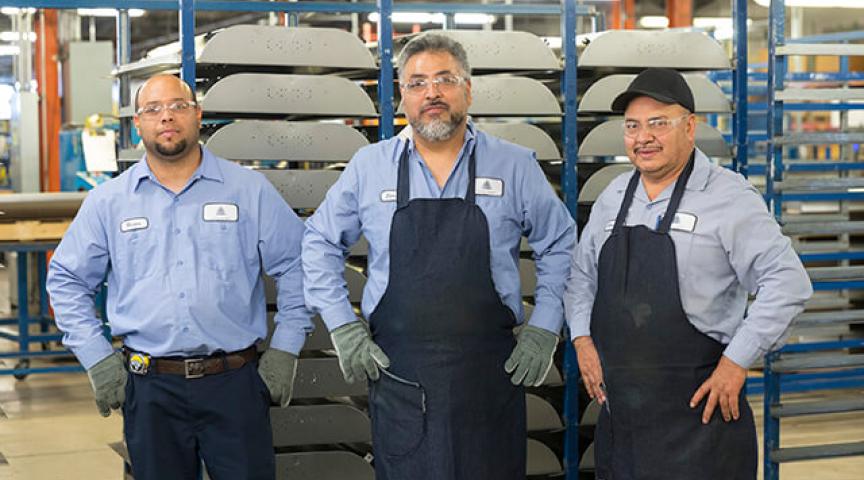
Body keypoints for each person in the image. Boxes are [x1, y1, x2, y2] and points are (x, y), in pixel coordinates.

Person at [302, 33, 575, 479]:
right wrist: (343, 324)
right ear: (400, 97)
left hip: (490, 375)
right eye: (417, 82)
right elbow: (319, 241)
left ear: (468, 89)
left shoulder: (514, 165)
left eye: (445, 79)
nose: (432, 92)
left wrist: (545, 326)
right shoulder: (369, 168)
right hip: (400, 376)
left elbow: (560, 243)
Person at [47, 73, 310, 480]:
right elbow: (66, 279)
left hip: (235, 385)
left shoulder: (248, 190)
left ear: (197, 115)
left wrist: (286, 349)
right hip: (151, 390)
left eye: (177, 106)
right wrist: (97, 359)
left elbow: (297, 264)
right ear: (138, 124)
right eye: (153, 109)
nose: (166, 117)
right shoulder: (109, 203)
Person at [564, 68, 812, 479]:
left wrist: (737, 361)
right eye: (632, 126)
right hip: (623, 424)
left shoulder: (729, 197)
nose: (643, 138)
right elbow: (581, 277)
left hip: (700, 425)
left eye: (658, 124)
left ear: (690, 127)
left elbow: (788, 283)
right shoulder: (613, 198)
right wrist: (581, 336)